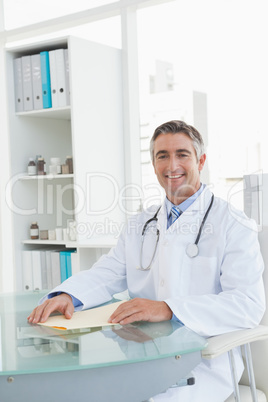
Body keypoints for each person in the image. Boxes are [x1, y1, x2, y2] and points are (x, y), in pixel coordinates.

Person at [28, 120, 265, 402]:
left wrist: (167, 308)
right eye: (162, 156)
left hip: (203, 362)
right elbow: (108, 272)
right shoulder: (141, 223)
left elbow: (247, 305)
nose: (171, 165)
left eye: (182, 154)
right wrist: (68, 294)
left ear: (200, 160)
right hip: (142, 354)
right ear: (153, 165)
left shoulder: (234, 224)